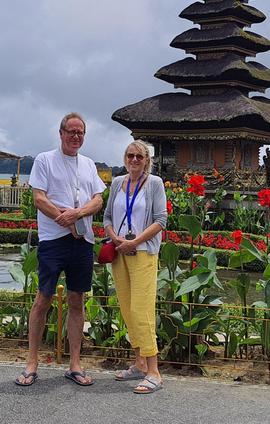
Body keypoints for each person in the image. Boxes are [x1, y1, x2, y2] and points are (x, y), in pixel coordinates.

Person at [14, 112, 106, 387]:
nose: (76, 137)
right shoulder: (45, 159)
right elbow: (39, 199)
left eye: (81, 133)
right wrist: (63, 219)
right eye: (72, 132)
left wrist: (75, 214)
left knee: (77, 300)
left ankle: (74, 363)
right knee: (43, 299)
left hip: (83, 242)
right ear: (61, 132)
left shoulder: (89, 164)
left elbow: (98, 200)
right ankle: (32, 362)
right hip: (53, 240)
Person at [103, 140, 167, 394]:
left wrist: (135, 242)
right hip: (120, 253)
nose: (134, 160)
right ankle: (140, 363)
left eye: (139, 156)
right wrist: (116, 238)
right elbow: (108, 217)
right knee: (128, 310)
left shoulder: (154, 183)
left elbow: (161, 220)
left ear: (147, 160)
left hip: (143, 253)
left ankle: (154, 372)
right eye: (130, 155)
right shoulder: (118, 183)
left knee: (142, 310)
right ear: (125, 158)